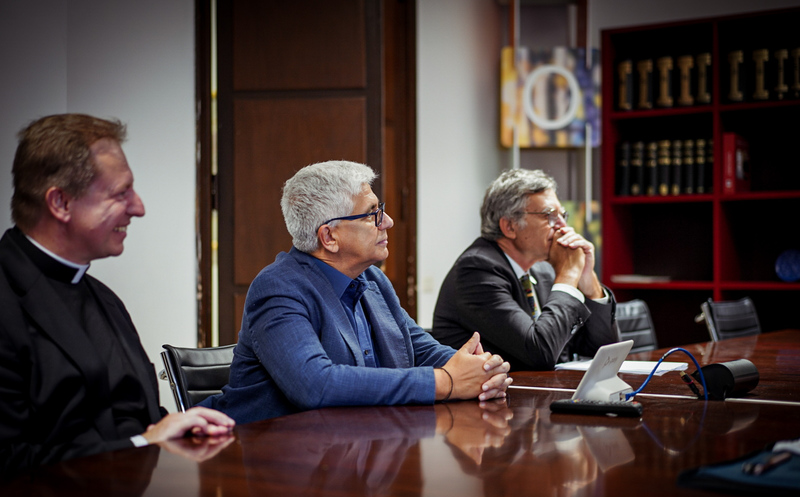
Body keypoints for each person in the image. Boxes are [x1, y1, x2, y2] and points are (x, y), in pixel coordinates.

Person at [0, 114, 234, 476]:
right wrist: (144, 443)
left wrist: (182, 429)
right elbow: (10, 463)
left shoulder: (104, 299)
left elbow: (143, 417)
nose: (138, 208)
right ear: (60, 202)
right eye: (120, 193)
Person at [202, 160, 512, 424]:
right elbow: (316, 384)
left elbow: (421, 351)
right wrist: (445, 382)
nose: (387, 222)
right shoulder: (278, 288)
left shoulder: (374, 281)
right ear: (329, 236)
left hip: (350, 451)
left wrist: (481, 369)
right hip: (270, 461)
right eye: (371, 214)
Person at [432, 168, 619, 371]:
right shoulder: (476, 271)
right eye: (549, 216)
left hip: (541, 394)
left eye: (562, 215)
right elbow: (540, 352)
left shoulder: (542, 271)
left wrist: (587, 279)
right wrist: (568, 275)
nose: (563, 226)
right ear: (510, 226)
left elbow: (605, 351)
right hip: (488, 399)